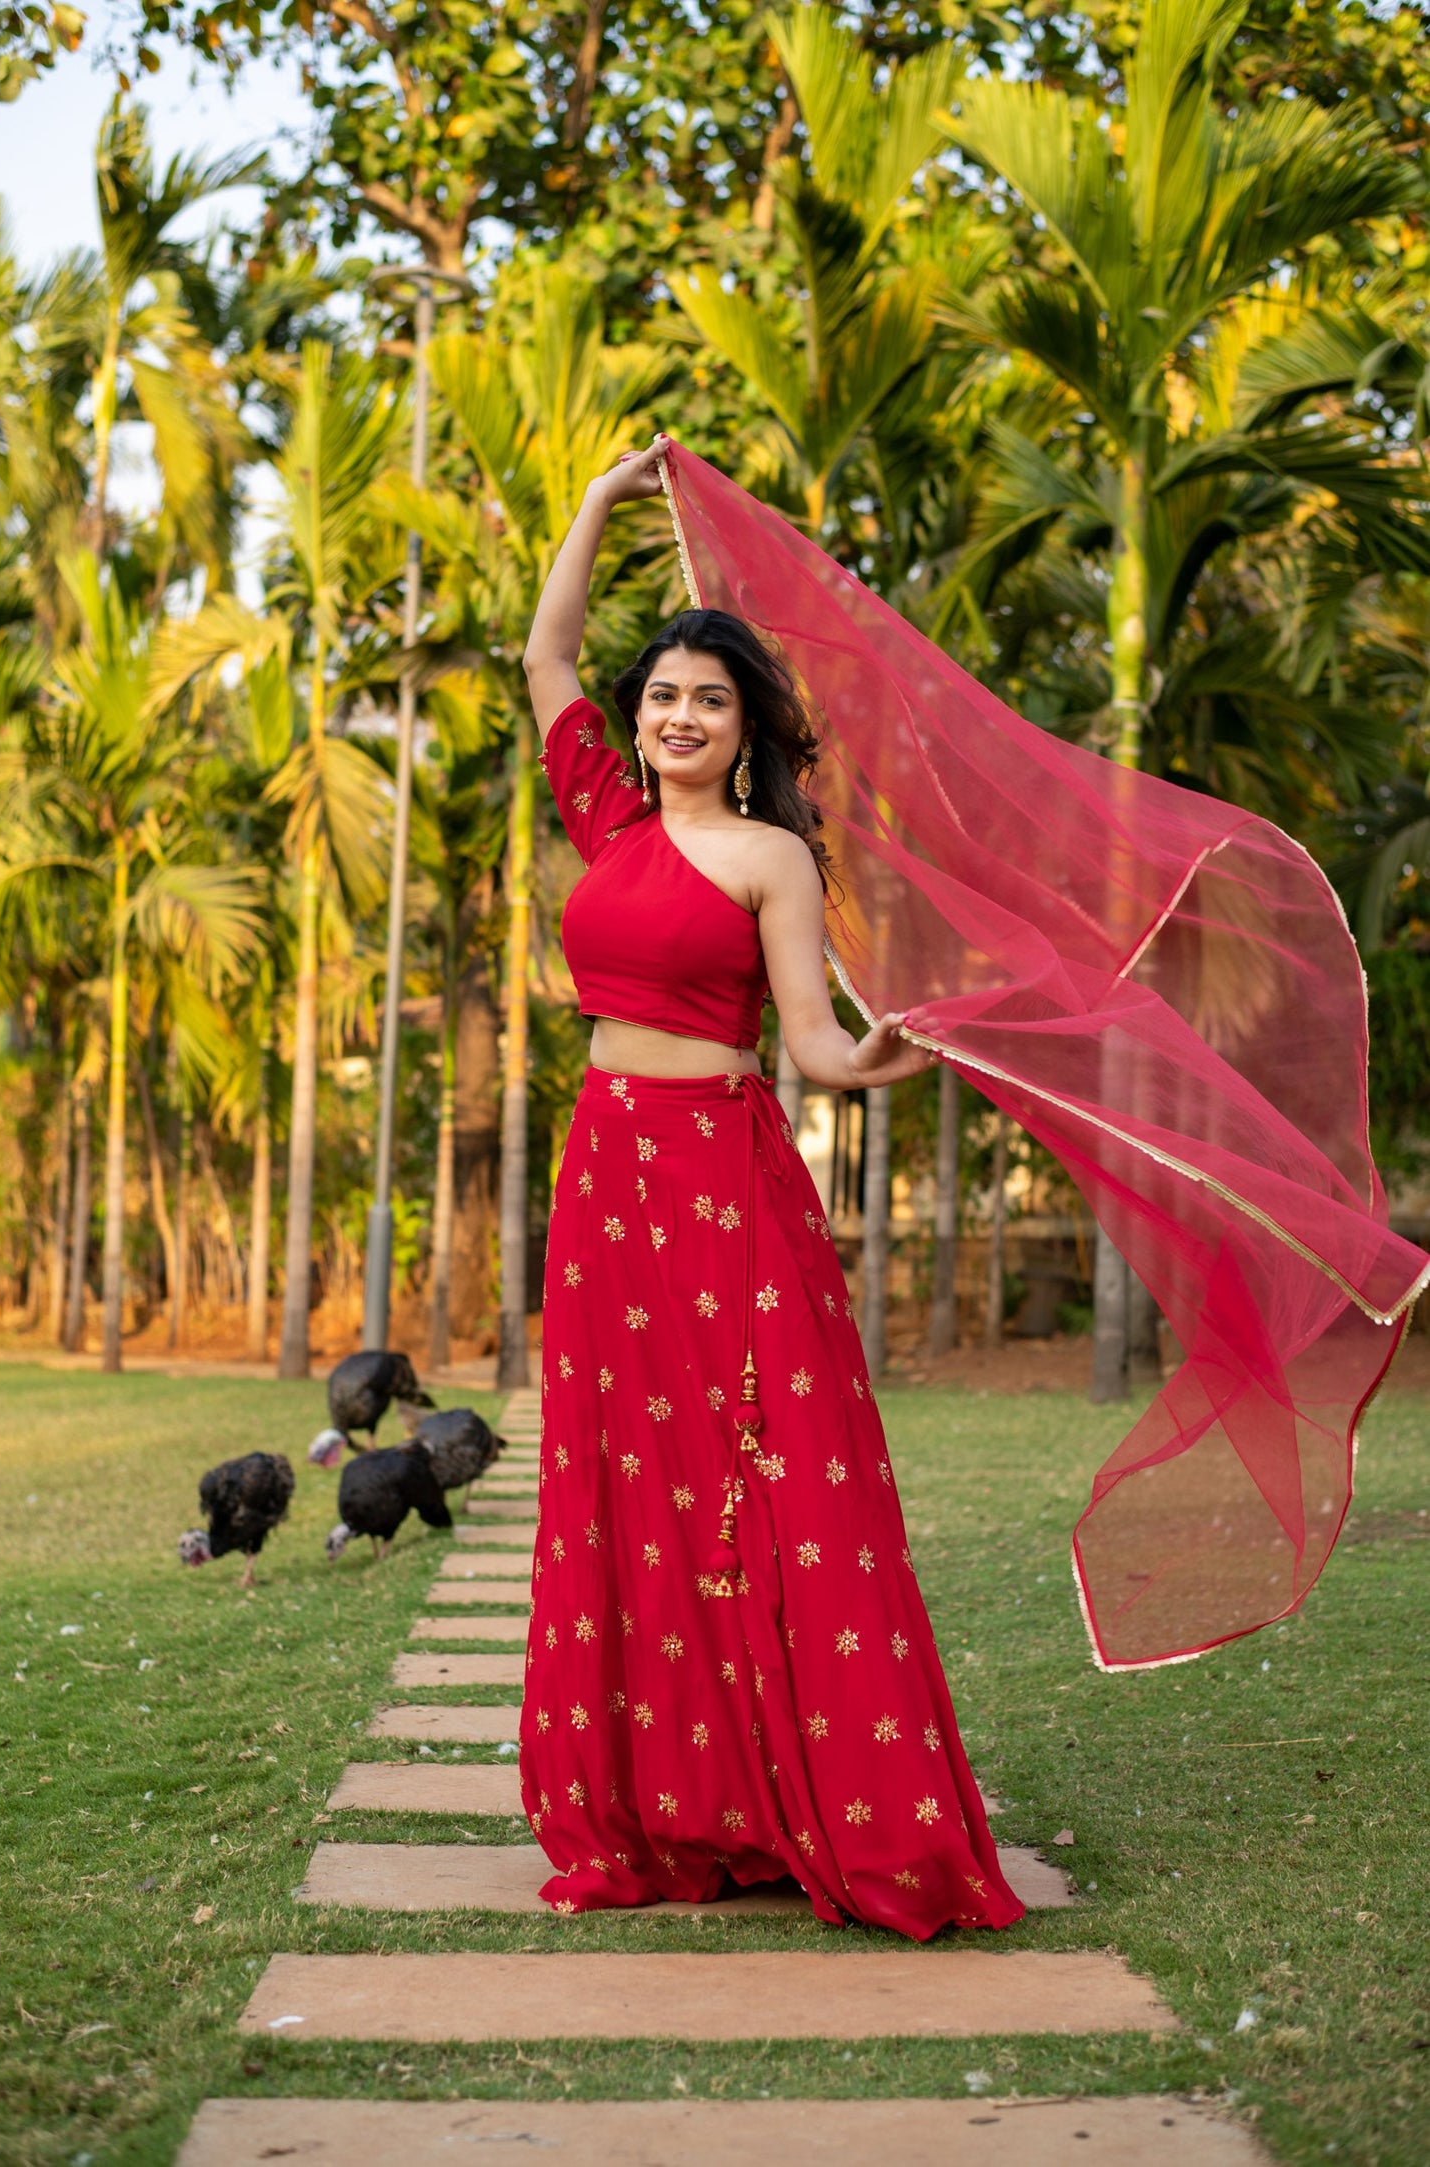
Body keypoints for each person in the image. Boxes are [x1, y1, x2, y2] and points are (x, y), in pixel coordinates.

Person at [515, 439, 1023, 1938]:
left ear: (747, 729)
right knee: (624, 1483)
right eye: (662, 695)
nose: (677, 715)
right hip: (604, 1178)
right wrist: (598, 506)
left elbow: (808, 1043)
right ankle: (663, 1808)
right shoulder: (606, 821)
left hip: (721, 1183)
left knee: (765, 1475)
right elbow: (545, 656)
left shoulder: (768, 860)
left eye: (708, 700)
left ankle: (827, 1808)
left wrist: (882, 1057)